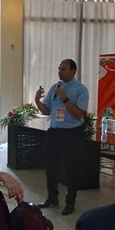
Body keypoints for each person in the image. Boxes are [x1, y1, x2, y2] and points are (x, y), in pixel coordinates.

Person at [34, 59, 88, 215]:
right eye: (59, 69)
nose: (59, 72)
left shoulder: (81, 90)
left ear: (73, 71)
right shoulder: (55, 87)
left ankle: (70, 203)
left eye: (63, 69)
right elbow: (46, 110)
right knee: (50, 168)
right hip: (54, 133)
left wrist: (65, 98)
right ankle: (52, 198)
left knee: (71, 170)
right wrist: (37, 100)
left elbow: (79, 114)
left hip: (72, 134)